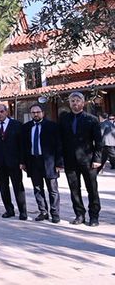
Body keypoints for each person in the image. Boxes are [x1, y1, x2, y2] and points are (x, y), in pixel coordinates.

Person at [58, 92, 103, 226]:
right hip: (70, 161)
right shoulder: (64, 119)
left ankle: (94, 216)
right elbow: (60, 141)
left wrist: (97, 159)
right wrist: (60, 160)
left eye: (78, 100)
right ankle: (79, 214)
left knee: (92, 189)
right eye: (72, 101)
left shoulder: (92, 119)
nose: (75, 103)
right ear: (69, 103)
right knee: (74, 189)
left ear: (83, 103)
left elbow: (99, 142)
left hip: (88, 161)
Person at [23, 104, 63, 223]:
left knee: (53, 189)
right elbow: (23, 146)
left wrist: (59, 163)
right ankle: (43, 211)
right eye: (33, 112)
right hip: (33, 162)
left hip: (49, 162)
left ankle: (55, 213)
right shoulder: (26, 127)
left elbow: (59, 145)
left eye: (38, 112)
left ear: (43, 113)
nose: (35, 114)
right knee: (37, 188)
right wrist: (23, 162)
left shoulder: (52, 126)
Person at [0, 104, 27, 220]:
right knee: (3, 187)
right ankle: (9, 210)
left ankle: (23, 211)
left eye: (1, 111)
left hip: (14, 162)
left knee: (18, 187)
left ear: (6, 112)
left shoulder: (17, 125)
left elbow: (22, 145)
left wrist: (22, 161)